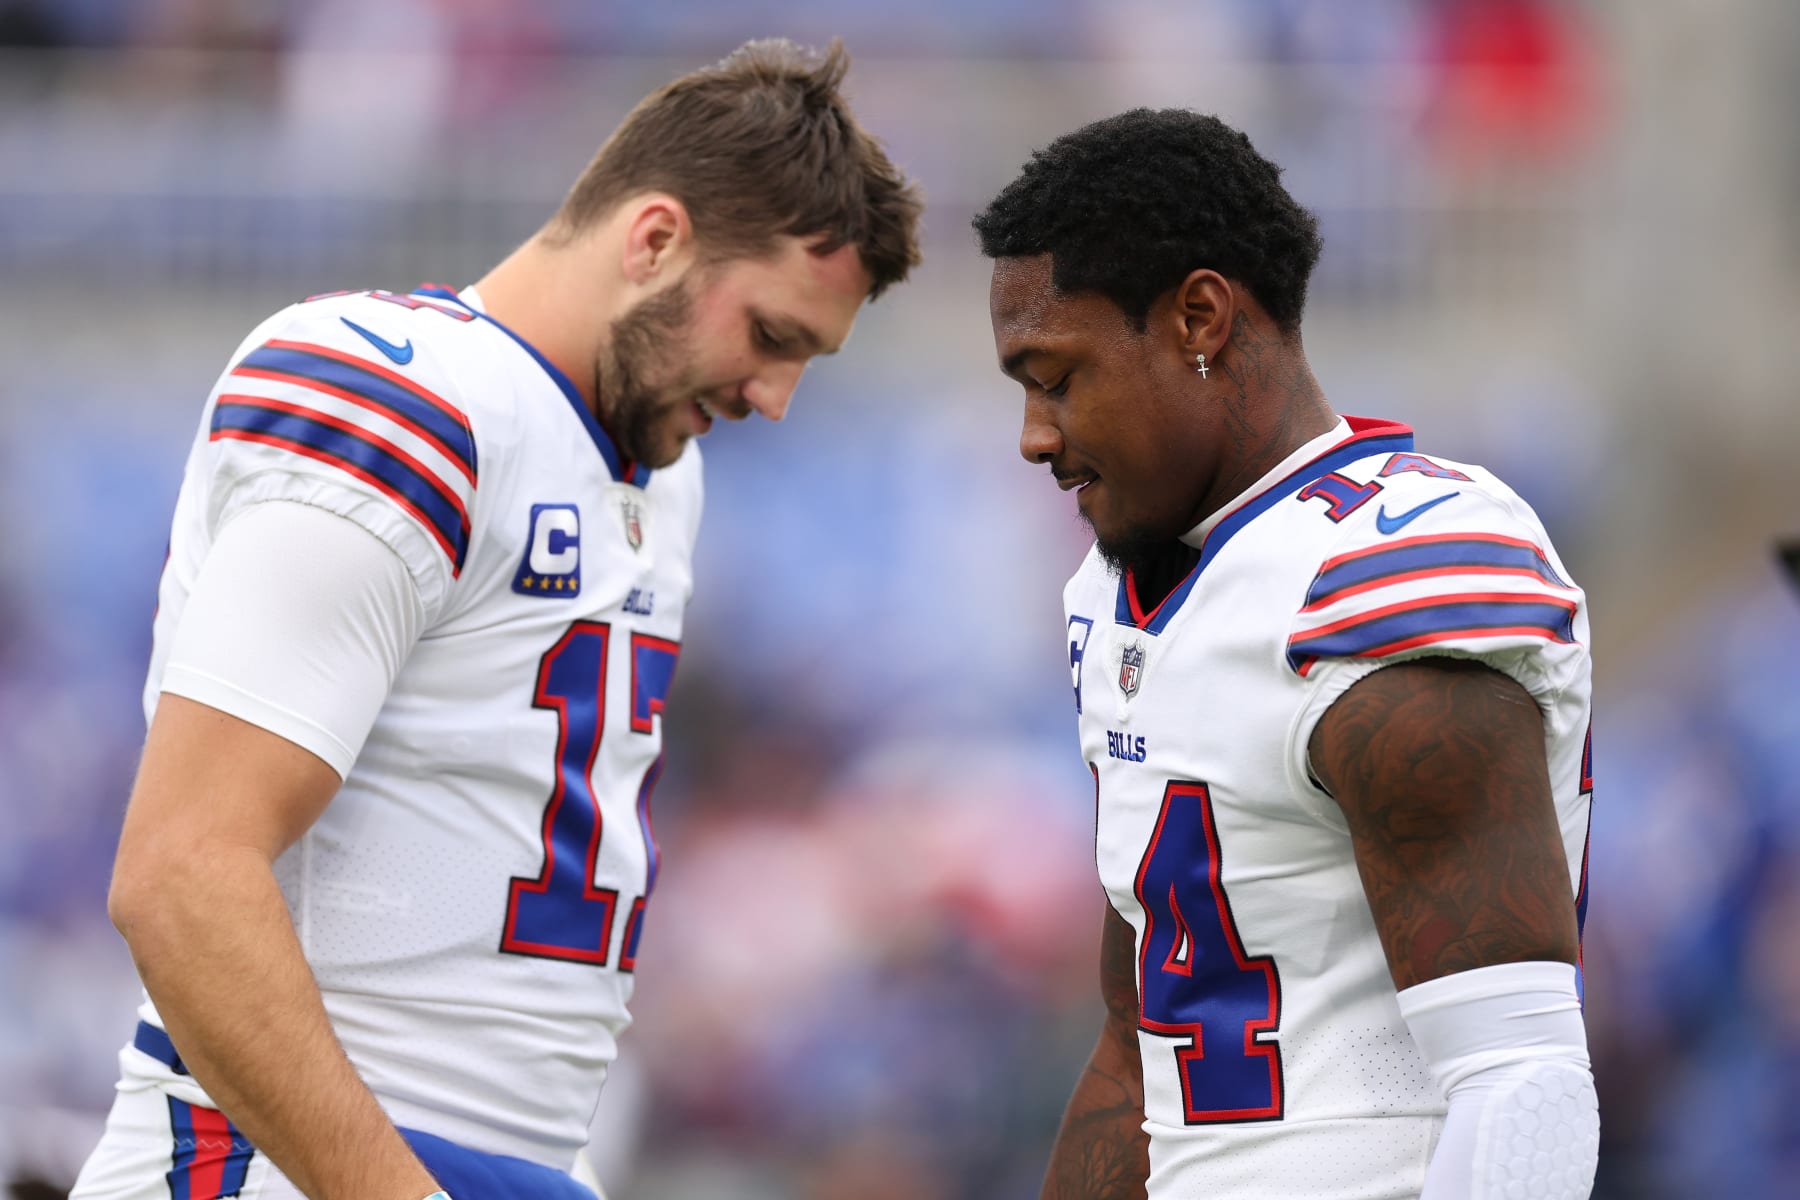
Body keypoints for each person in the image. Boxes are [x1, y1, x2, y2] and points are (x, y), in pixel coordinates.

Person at [74, 40, 921, 1200]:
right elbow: (180, 871)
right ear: (656, 240)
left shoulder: (659, 469)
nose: (774, 398)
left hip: (520, 1162)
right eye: (771, 337)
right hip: (282, 1165)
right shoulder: (399, 398)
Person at [975, 109, 1597, 1199]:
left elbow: (1521, 1078)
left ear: (1200, 319)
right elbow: (1138, 1054)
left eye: (1057, 376)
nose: (1034, 432)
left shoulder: (1387, 577)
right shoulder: (1121, 590)